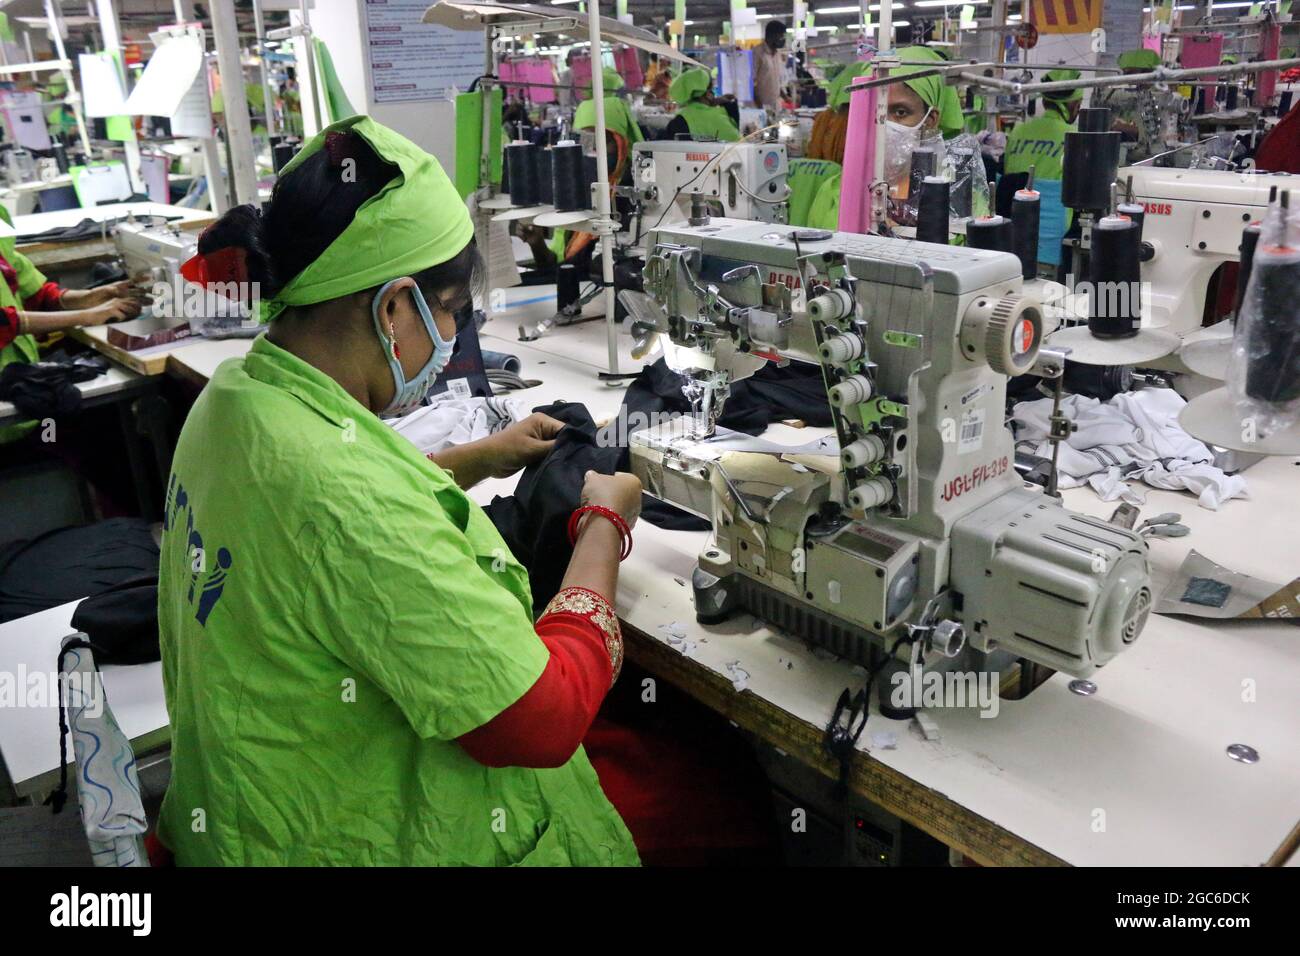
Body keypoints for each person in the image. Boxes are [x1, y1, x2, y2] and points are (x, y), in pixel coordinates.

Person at [155, 115, 643, 866]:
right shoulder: (341, 492)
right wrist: (604, 528)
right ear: (393, 309)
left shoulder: (235, 399)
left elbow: (317, 530)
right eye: (448, 312)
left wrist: (478, 458)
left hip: (248, 812)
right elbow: (539, 722)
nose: (451, 337)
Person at [0, 207, 144, 443]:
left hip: (24, 378)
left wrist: (94, 296)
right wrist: (86, 316)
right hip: (9, 407)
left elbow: (40, 294)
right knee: (94, 433)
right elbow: (4, 322)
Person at [805, 46, 963, 231]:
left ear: (930, 120)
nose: (884, 124)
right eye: (875, 110)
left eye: (900, 112)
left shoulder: (956, 197)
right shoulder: (833, 191)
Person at [1002, 68, 1083, 273]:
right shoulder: (1076, 137)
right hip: (1054, 244)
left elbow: (1007, 179)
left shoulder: (1019, 131)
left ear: (1045, 101)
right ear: (1073, 105)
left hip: (1013, 239)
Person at [663, 67, 740, 142]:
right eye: (712, 90)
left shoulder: (678, 120)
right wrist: (731, 107)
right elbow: (738, 143)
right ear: (708, 94)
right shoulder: (719, 118)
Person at [753, 19, 789, 112]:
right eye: (781, 37)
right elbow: (751, 83)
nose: (783, 40)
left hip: (775, 107)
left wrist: (786, 97)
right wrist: (760, 107)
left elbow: (775, 81)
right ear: (772, 35)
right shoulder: (757, 53)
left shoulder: (777, 54)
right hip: (760, 107)